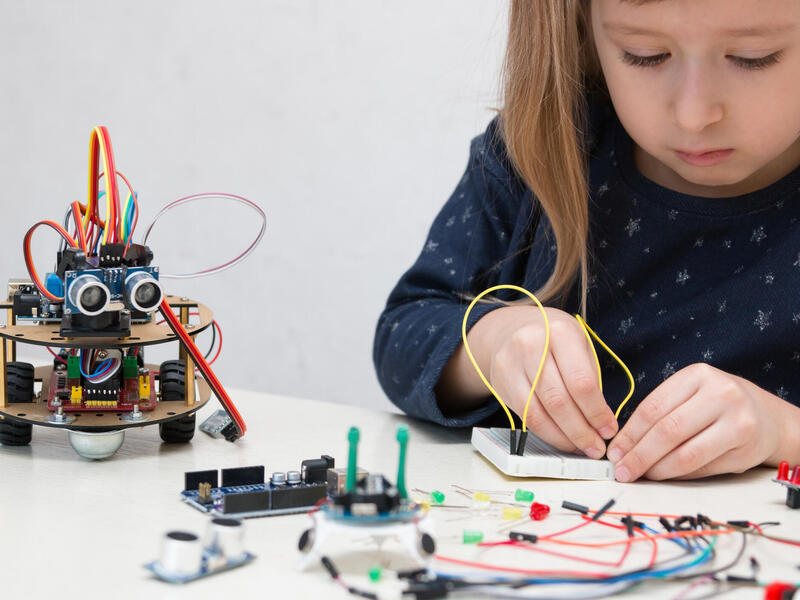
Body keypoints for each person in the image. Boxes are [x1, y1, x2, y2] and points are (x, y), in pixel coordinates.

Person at [373, 0, 800, 482]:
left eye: (753, 57)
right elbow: (402, 336)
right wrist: (493, 344)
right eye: (645, 55)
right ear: (584, 25)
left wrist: (784, 432)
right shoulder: (539, 153)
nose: (694, 114)